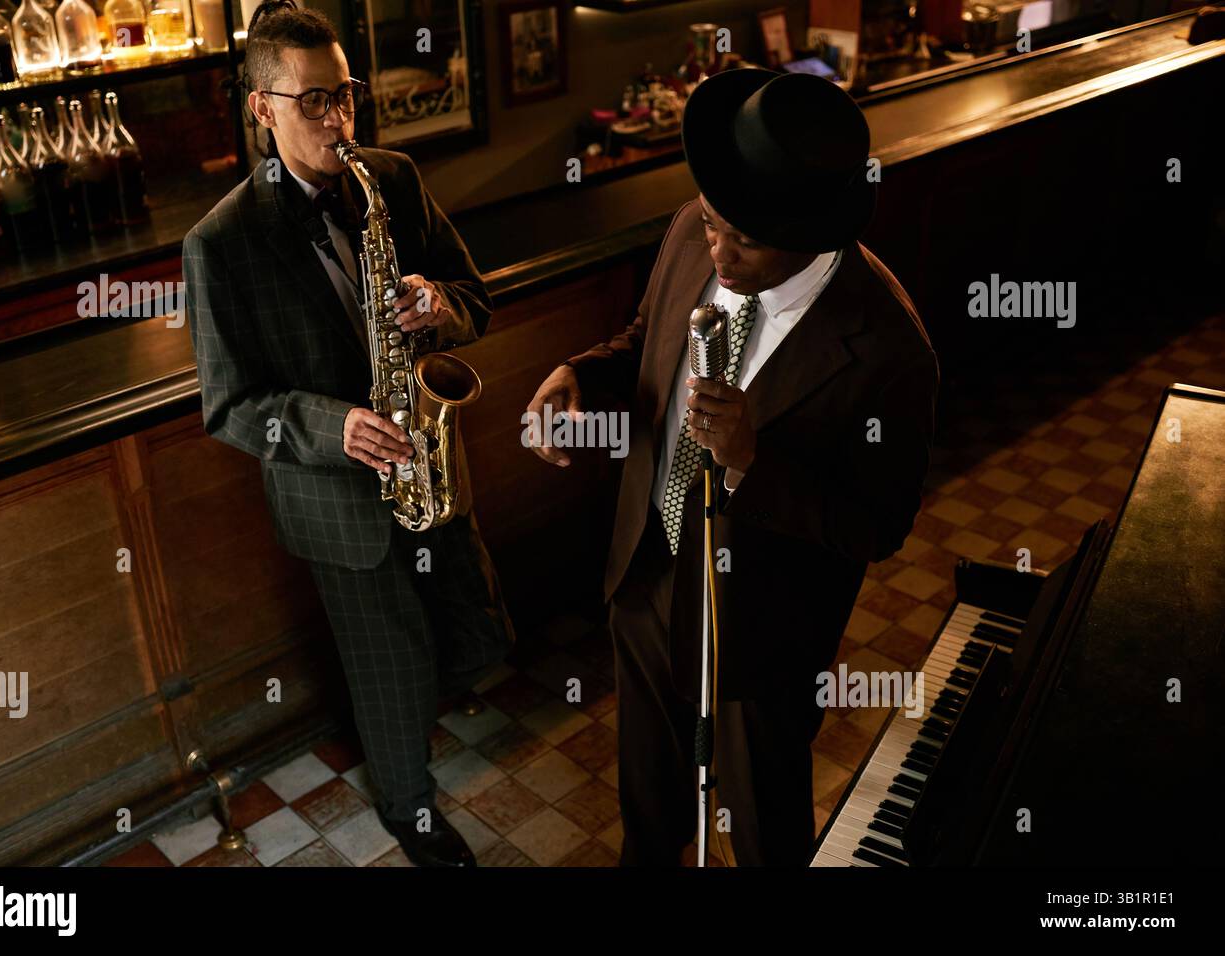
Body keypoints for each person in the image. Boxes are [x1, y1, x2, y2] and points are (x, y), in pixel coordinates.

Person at [527, 70, 939, 865]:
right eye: (712, 225)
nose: (716, 251)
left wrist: (753, 460)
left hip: (763, 631)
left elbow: (876, 525)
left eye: (743, 241)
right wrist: (582, 371)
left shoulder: (891, 351)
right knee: (650, 812)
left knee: (761, 829)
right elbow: (645, 335)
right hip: (647, 570)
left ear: (812, 231)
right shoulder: (693, 227)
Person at [182, 0, 513, 867]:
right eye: (313, 101)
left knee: (472, 626)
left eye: (346, 95)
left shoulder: (392, 179)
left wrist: (440, 307)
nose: (338, 119)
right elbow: (228, 407)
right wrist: (335, 427)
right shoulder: (217, 245)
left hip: (429, 462)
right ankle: (409, 809)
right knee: (388, 663)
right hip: (335, 498)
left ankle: (425, 724)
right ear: (263, 108)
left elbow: (475, 294)